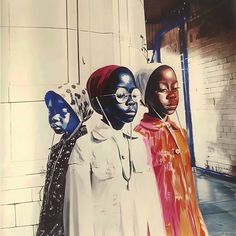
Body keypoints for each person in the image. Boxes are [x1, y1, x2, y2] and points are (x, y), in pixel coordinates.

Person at [63, 65, 166, 236]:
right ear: (98, 102)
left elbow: (152, 204)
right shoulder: (86, 146)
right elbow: (78, 212)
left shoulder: (138, 142)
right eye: (121, 95)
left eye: (133, 94)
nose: (131, 101)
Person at [134, 64, 208, 236]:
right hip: (159, 226)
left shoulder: (178, 132)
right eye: (162, 90)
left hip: (187, 223)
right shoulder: (140, 136)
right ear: (145, 95)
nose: (172, 95)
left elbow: (189, 188)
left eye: (175, 88)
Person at [36, 84, 93, 236]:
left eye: (61, 110)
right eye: (51, 111)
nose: (54, 117)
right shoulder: (56, 150)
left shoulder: (86, 146)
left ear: (79, 110)